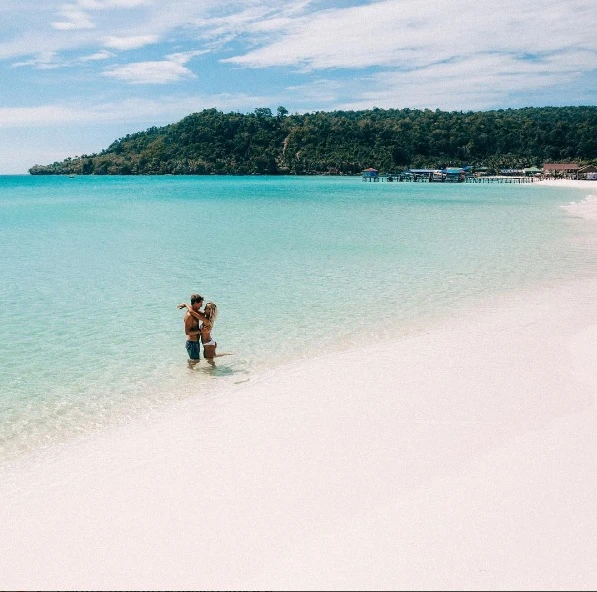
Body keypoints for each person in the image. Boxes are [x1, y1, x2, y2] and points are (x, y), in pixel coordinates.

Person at [178, 300, 231, 365]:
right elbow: (195, 311)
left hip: (208, 344)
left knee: (211, 364)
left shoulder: (206, 320)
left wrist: (185, 304)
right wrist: (187, 306)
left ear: (210, 310)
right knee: (211, 359)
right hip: (209, 343)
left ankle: (215, 373)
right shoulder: (206, 318)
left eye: (206, 308)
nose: (204, 309)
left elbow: (192, 312)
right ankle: (229, 354)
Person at [177, 293, 204, 365]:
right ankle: (190, 375)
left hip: (195, 343)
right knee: (193, 364)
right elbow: (187, 332)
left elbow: (203, 314)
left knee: (195, 363)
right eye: (200, 303)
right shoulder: (189, 316)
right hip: (192, 344)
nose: (201, 305)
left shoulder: (195, 312)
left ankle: (192, 375)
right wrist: (199, 331)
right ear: (195, 303)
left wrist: (186, 305)